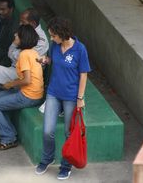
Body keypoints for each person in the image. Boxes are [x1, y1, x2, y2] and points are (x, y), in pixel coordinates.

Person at [34, 17, 91, 180]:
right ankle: (47, 159)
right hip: (53, 93)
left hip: (71, 97)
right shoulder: (55, 46)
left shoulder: (80, 49)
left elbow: (83, 75)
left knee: (68, 132)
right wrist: (45, 60)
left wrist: (80, 97)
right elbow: (52, 60)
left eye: (53, 35)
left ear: (62, 33)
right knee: (47, 130)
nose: (51, 38)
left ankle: (66, 165)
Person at [0, 25, 43, 150]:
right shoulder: (32, 52)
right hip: (33, 93)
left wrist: (10, 84)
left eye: (17, 35)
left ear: (23, 38)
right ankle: (10, 132)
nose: (14, 36)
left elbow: (27, 80)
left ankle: (8, 138)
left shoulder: (24, 55)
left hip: (28, 96)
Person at [0, 8, 49, 104]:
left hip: (25, 76)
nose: (20, 24)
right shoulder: (25, 31)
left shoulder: (41, 41)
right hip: (14, 69)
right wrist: (15, 52)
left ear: (32, 23)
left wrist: (16, 52)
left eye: (23, 22)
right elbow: (11, 53)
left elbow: (20, 57)